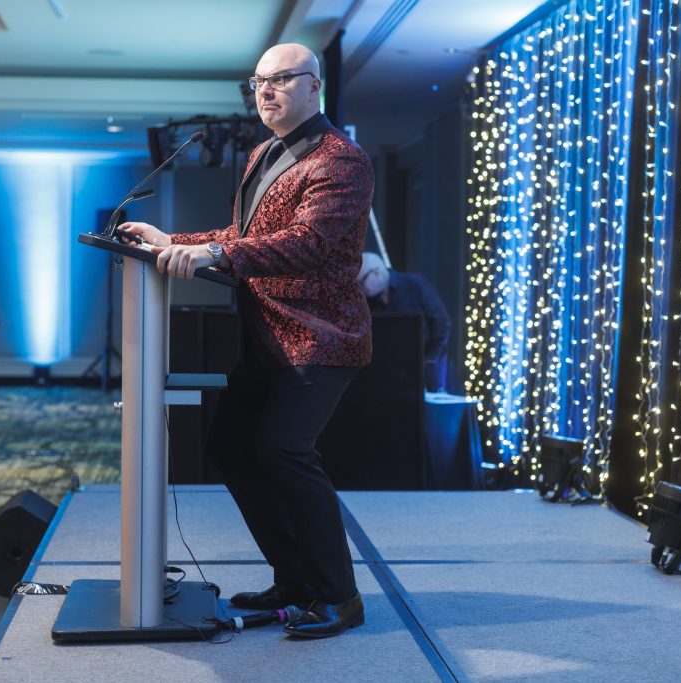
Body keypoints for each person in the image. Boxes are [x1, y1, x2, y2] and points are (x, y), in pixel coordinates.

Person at [118, 43, 373, 639]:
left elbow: (307, 243)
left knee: (285, 450)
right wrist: (170, 239)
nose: (266, 90)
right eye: (258, 81)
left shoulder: (342, 159)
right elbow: (241, 236)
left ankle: (340, 596)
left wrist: (213, 252)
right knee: (232, 447)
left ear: (315, 87)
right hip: (265, 337)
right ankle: (294, 578)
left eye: (281, 78)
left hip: (319, 336)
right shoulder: (263, 151)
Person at [358, 252, 451, 392]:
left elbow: (442, 323)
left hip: (428, 368)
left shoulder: (415, 285)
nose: (360, 288)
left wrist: (430, 359)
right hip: (395, 374)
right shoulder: (367, 303)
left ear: (376, 273)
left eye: (361, 282)